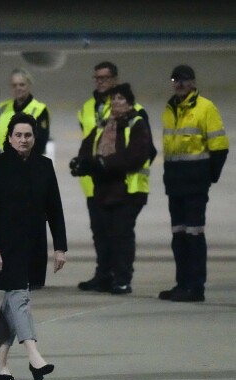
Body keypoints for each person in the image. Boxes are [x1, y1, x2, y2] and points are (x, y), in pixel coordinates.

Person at [0, 112, 67, 380]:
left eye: (28, 135)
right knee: (19, 296)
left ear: (34, 138)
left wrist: (60, 247)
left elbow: (55, 209)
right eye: (18, 135)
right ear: (9, 138)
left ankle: (0, 362)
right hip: (5, 245)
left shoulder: (44, 165)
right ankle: (34, 355)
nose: (23, 139)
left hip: (34, 244)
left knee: (12, 299)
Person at [76, 62, 155, 292]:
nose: (101, 82)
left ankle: (121, 277)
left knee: (121, 234)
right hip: (99, 186)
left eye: (105, 77)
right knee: (101, 234)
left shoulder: (136, 116)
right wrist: (84, 163)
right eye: (97, 77)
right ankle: (105, 274)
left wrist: (106, 164)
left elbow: (143, 152)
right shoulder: (92, 110)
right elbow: (89, 141)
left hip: (126, 187)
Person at [158, 65, 229, 302]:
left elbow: (219, 146)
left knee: (194, 235)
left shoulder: (205, 108)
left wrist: (208, 176)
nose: (180, 83)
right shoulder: (169, 109)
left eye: (185, 80)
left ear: (193, 83)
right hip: (175, 182)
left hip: (195, 183)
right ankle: (182, 283)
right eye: (176, 79)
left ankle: (196, 286)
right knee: (179, 236)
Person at [0, 67, 49, 155]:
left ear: (29, 85)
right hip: (3, 163)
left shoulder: (39, 109)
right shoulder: (2, 108)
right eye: (14, 85)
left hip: (28, 163)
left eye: (22, 85)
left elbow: (41, 142)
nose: (18, 88)